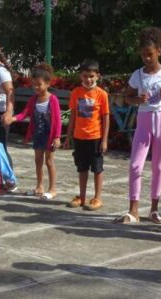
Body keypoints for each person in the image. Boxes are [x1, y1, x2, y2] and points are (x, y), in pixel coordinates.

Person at [114, 27, 161, 224]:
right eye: (143, 55)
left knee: (158, 166)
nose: (147, 59)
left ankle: (154, 209)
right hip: (144, 120)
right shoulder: (137, 75)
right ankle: (133, 210)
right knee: (136, 165)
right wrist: (138, 99)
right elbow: (127, 98)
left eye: (150, 54)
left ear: (159, 51)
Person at [4, 63, 61, 199]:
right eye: (33, 84)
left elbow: (58, 120)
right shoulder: (33, 100)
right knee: (38, 160)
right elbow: (24, 114)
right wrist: (12, 118)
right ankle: (39, 186)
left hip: (50, 135)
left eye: (39, 84)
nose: (35, 87)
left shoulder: (53, 100)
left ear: (47, 84)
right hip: (38, 135)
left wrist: (57, 137)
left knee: (49, 161)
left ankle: (52, 189)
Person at [63, 60, 110, 211]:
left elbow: (105, 117)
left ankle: (97, 198)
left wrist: (104, 140)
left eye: (91, 76)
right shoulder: (76, 93)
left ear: (97, 76)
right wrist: (68, 137)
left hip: (95, 138)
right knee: (81, 168)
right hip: (79, 137)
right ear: (80, 76)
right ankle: (82, 197)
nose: (88, 79)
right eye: (85, 76)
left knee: (97, 168)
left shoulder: (102, 94)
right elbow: (73, 116)